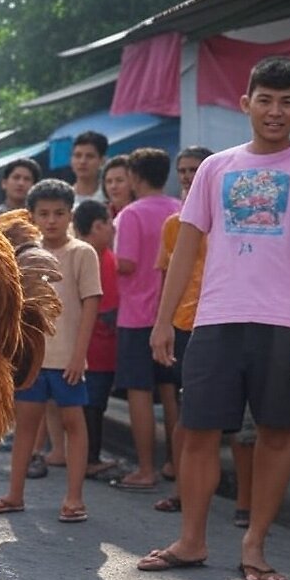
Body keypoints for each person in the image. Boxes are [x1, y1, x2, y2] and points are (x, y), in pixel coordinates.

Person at [139, 56, 290, 580]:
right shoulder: (218, 167)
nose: (275, 111)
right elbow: (186, 247)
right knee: (196, 430)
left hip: (285, 323)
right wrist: (163, 320)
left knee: (276, 432)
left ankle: (254, 546)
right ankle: (191, 540)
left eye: (287, 101)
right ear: (246, 104)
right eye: (265, 99)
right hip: (215, 319)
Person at [0, 181, 100, 522]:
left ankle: (74, 498)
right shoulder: (24, 255)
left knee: (73, 423)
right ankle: (14, 494)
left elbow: (91, 304)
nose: (51, 221)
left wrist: (80, 355)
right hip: (33, 359)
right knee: (26, 427)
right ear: (32, 218)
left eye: (59, 213)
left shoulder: (82, 253)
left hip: (68, 361)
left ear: (70, 214)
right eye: (43, 214)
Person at [109, 148, 181, 491]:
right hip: (175, 314)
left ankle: (145, 469)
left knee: (139, 390)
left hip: (137, 315)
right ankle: (176, 465)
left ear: (135, 177)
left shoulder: (130, 215)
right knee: (171, 392)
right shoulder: (180, 209)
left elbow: (126, 263)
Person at [152, 145, 214, 513]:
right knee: (185, 410)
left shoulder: (227, 219)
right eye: (185, 171)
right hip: (183, 324)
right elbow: (165, 274)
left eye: (196, 170)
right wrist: (163, 323)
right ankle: (180, 488)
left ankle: (243, 504)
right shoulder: (173, 224)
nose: (190, 177)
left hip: (221, 319)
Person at [72, 199, 120, 478]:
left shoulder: (95, 254)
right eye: (109, 224)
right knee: (92, 404)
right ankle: (89, 459)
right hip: (96, 345)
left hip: (95, 344)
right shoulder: (92, 256)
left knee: (91, 403)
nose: (112, 230)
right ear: (98, 225)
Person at [69, 131, 108, 206]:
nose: (82, 161)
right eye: (78, 156)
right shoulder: (63, 200)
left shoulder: (110, 198)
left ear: (102, 161)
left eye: (90, 156)